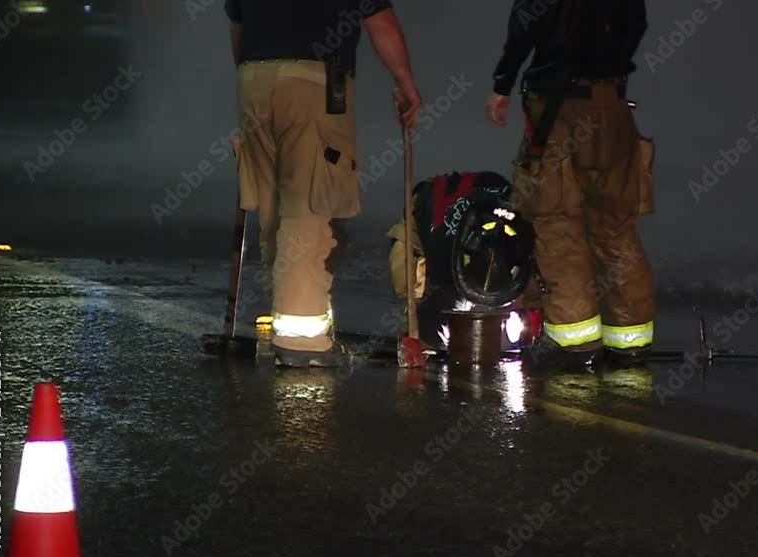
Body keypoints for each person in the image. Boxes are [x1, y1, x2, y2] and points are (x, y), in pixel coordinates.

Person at [224, 0, 421, 368]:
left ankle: (290, 314)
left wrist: (258, 78)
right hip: (314, 81)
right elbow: (381, 22)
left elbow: (238, 27)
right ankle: (302, 340)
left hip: (254, 80)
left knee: (273, 207)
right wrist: (405, 82)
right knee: (310, 205)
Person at [486, 0, 655, 371]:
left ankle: (574, 344)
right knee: (616, 225)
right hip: (614, 109)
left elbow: (525, 25)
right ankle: (630, 342)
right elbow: (636, 24)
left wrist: (502, 84)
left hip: (558, 109)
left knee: (557, 225)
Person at [387, 171, 540, 349]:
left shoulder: (525, 234)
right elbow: (431, 311)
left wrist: (527, 309)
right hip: (431, 204)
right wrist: (423, 341)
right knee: (408, 284)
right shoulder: (441, 254)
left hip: (491, 196)